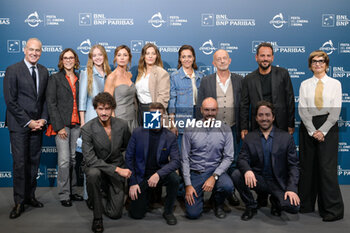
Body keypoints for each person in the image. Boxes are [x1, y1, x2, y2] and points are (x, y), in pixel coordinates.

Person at [240, 42, 295, 207]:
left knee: (279, 160)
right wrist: (244, 127)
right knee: (260, 160)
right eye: (262, 55)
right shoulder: (249, 78)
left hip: (280, 123)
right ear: (256, 57)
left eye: (268, 55)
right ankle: (262, 194)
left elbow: (290, 99)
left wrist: (291, 124)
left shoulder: (283, 74)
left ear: (272, 57)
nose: (265, 59)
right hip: (258, 123)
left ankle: (277, 194)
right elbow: (243, 104)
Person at [3, 38, 49, 219]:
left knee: (33, 163)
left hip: (38, 126)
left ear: (41, 52)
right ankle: (19, 202)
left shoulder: (44, 71)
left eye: (37, 50)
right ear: (24, 50)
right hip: (19, 125)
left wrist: (43, 119)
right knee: (20, 164)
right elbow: (10, 101)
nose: (34, 53)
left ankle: (30, 196)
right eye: (31, 49)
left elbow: (45, 99)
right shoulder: (12, 70)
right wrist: (28, 121)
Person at [231, 101, 299, 221]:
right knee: (237, 175)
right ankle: (251, 205)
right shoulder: (250, 137)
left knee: (293, 207)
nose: (264, 118)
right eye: (261, 115)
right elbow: (242, 158)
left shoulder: (286, 138)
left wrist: (291, 189)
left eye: (267, 115)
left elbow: (294, 166)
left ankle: (275, 201)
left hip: (278, 182)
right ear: (256, 118)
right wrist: (247, 171)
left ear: (273, 117)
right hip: (259, 180)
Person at [298, 50, 344, 222]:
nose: (318, 64)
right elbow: (303, 109)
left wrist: (322, 131)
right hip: (308, 125)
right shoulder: (304, 85)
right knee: (308, 167)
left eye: (321, 61)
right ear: (310, 65)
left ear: (326, 64)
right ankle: (305, 205)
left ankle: (332, 210)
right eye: (314, 61)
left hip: (329, 127)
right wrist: (312, 130)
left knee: (326, 169)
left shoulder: (335, 84)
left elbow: (336, 110)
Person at [197, 49, 242, 206]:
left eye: (224, 58)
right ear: (213, 63)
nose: (222, 61)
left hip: (233, 127)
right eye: (218, 59)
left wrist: (244, 127)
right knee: (213, 160)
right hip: (211, 129)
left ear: (229, 61)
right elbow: (200, 106)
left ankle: (231, 192)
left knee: (233, 161)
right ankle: (216, 194)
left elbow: (243, 106)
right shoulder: (206, 81)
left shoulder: (239, 80)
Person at [81, 92, 131, 233]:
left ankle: (96, 197)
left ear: (112, 109)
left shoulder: (122, 125)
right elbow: (90, 159)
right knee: (92, 173)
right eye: (100, 109)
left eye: (107, 109)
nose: (104, 113)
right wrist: (117, 170)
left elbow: (127, 147)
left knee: (115, 213)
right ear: (95, 109)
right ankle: (97, 218)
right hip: (97, 166)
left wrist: (123, 167)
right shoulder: (87, 129)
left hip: (116, 164)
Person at [125, 102, 180, 225]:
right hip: (141, 175)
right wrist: (133, 182)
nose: (156, 118)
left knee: (174, 179)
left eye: (159, 115)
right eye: (152, 115)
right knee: (136, 215)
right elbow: (129, 158)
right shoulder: (138, 132)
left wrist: (159, 174)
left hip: (160, 174)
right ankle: (146, 197)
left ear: (163, 117)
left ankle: (168, 211)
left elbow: (176, 161)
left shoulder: (169, 136)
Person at [182, 97, 234, 219]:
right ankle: (194, 194)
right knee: (193, 214)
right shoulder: (190, 128)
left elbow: (228, 157)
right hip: (196, 172)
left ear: (217, 110)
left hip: (215, 171)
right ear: (201, 110)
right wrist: (188, 185)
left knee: (227, 186)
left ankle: (217, 203)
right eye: (206, 110)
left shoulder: (225, 129)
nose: (210, 113)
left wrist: (214, 176)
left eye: (213, 110)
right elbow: (184, 158)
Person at [46, 48, 83, 207]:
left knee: (73, 160)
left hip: (77, 125)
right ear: (62, 61)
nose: (69, 60)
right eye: (65, 58)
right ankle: (64, 194)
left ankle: (73, 191)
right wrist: (58, 126)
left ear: (75, 60)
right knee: (63, 160)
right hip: (62, 126)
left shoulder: (80, 78)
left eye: (71, 57)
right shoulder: (55, 78)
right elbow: (51, 104)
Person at [79, 44, 111, 205]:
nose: (98, 57)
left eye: (100, 54)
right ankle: (89, 195)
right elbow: (82, 101)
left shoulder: (109, 74)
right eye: (94, 55)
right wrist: (83, 124)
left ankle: (103, 192)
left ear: (104, 56)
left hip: (107, 123)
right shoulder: (87, 73)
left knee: (104, 159)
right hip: (91, 123)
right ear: (91, 58)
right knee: (90, 161)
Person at [169, 44, 204, 146]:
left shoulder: (200, 76)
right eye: (183, 57)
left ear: (193, 58)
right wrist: (172, 123)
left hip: (198, 118)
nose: (186, 59)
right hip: (182, 118)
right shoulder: (174, 77)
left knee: (198, 151)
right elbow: (172, 100)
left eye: (189, 56)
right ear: (180, 59)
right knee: (182, 151)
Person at [135, 43, 170, 125]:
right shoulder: (141, 73)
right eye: (147, 53)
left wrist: (155, 114)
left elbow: (163, 97)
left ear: (157, 56)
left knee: (152, 137)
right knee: (142, 136)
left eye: (153, 53)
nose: (150, 56)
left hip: (153, 110)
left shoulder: (161, 73)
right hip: (140, 110)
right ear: (143, 56)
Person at [104, 45, 137, 131]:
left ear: (129, 58)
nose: (122, 58)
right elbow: (107, 103)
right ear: (115, 58)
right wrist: (113, 123)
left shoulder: (129, 75)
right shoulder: (111, 77)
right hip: (119, 119)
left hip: (133, 118)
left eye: (125, 55)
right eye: (119, 55)